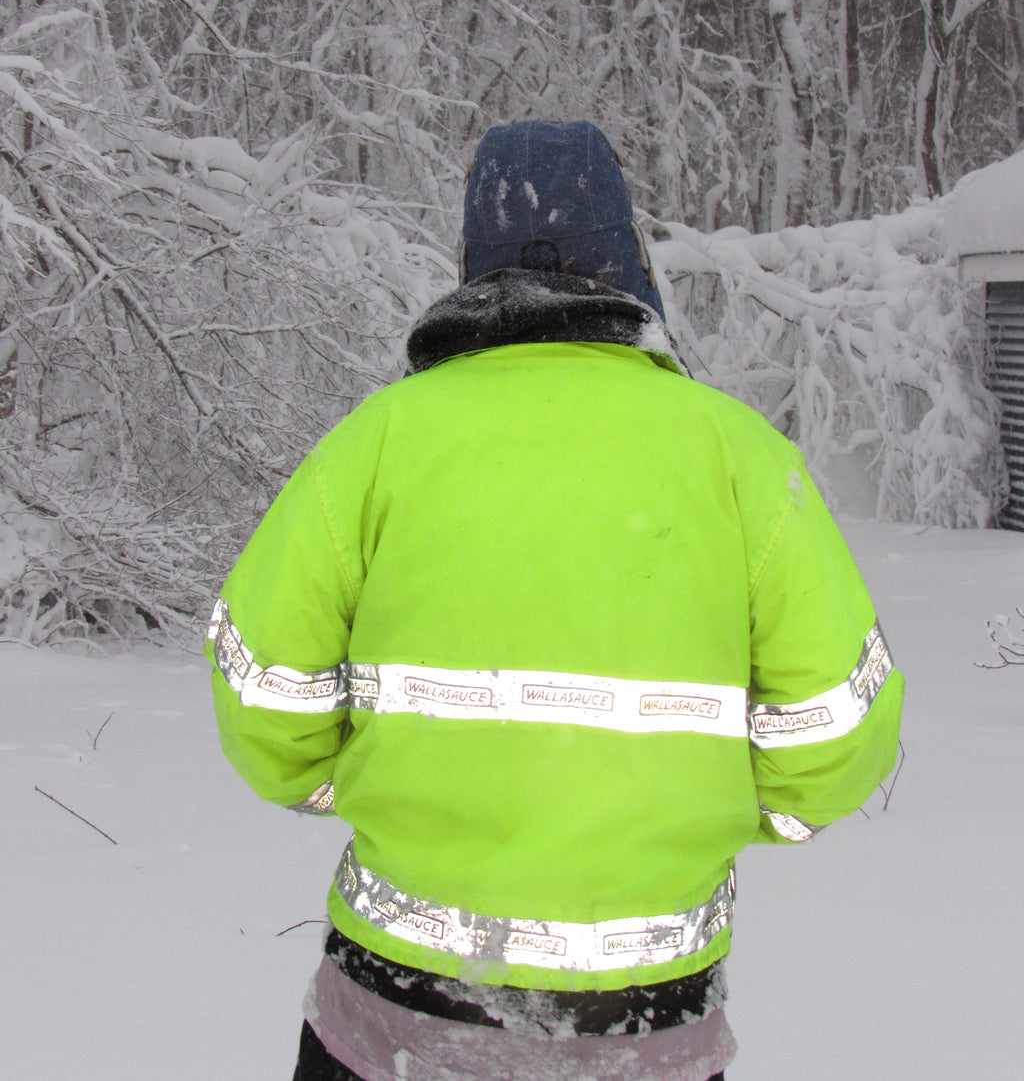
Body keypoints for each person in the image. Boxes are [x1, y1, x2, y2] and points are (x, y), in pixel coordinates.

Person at [206, 119, 904, 1081]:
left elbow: (261, 689)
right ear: (628, 259)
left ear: (471, 261)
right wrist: (715, 816)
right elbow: (838, 728)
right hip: (648, 1022)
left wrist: (356, 789)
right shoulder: (739, 456)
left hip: (396, 1012)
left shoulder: (377, 443)